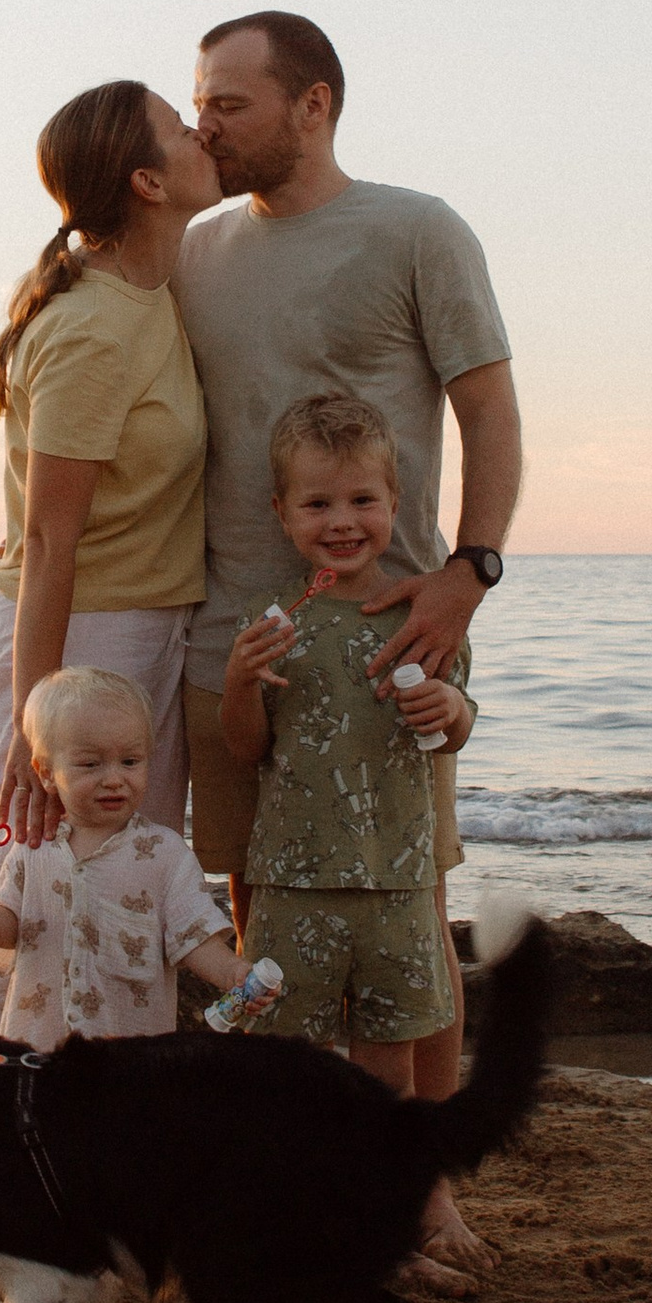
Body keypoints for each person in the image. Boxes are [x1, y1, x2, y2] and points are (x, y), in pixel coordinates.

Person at [179, 9, 520, 1272]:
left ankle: (418, 1195)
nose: (205, 123)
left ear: (311, 103)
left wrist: (467, 574)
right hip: (236, 640)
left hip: (393, 635)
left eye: (228, 102)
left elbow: (490, 408)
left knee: (408, 915)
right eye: (200, 103)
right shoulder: (197, 251)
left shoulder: (415, 229)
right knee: (262, 923)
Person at [0, 77, 221, 1061]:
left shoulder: (150, 297)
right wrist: (30, 725)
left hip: (136, 628)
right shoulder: (96, 328)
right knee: (23, 891)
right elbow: (52, 540)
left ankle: (78, 1150)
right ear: (147, 181)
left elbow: (40, 515)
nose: (202, 131)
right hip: (77, 643)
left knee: (115, 901)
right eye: (182, 128)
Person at [218, 394, 475, 1073]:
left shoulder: (426, 618)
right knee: (280, 1064)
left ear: (395, 502)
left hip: (400, 884)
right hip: (291, 884)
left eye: (363, 500)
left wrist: (450, 708)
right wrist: (242, 681)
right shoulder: (267, 624)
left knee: (388, 1061)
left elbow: (455, 733)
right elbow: (246, 750)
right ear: (282, 512)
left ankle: (378, 1181)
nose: (342, 522)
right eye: (317, 504)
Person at [0, 666, 263, 1052]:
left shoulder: (164, 854)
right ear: (46, 773)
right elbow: (9, 930)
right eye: (90, 765)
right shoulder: (32, 849)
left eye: (130, 762)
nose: (113, 779)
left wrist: (233, 973)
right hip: (40, 1047)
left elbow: (193, 938)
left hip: (129, 1058)